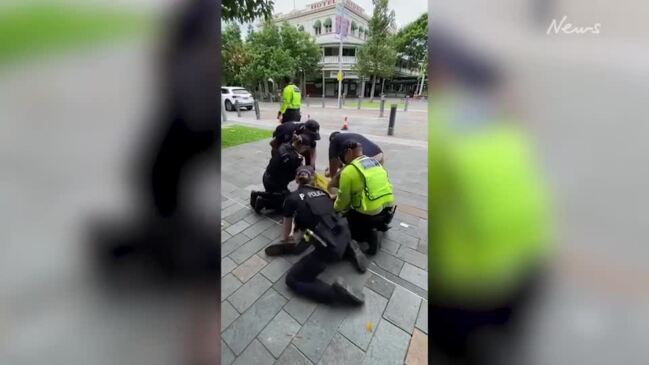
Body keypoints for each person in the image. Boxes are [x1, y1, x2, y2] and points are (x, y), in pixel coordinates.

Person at [264, 166, 367, 305]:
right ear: (314, 179)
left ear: (296, 179)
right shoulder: (322, 192)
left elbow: (286, 234)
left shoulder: (291, 198)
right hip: (345, 232)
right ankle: (350, 249)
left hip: (330, 249)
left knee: (293, 280)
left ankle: (334, 294)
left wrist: (288, 239)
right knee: (323, 227)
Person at [334, 140, 396, 255]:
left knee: (346, 216)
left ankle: (367, 236)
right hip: (388, 206)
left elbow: (343, 200)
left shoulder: (348, 171)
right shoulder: (375, 162)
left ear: (348, 152)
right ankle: (378, 226)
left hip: (370, 213)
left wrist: (336, 208)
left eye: (342, 156)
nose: (342, 160)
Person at [250, 133, 314, 213]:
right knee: (287, 203)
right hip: (275, 183)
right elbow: (298, 177)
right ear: (302, 146)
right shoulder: (294, 158)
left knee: (284, 194)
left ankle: (258, 194)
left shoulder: (285, 145)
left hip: (267, 176)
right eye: (305, 149)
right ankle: (264, 202)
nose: (305, 151)